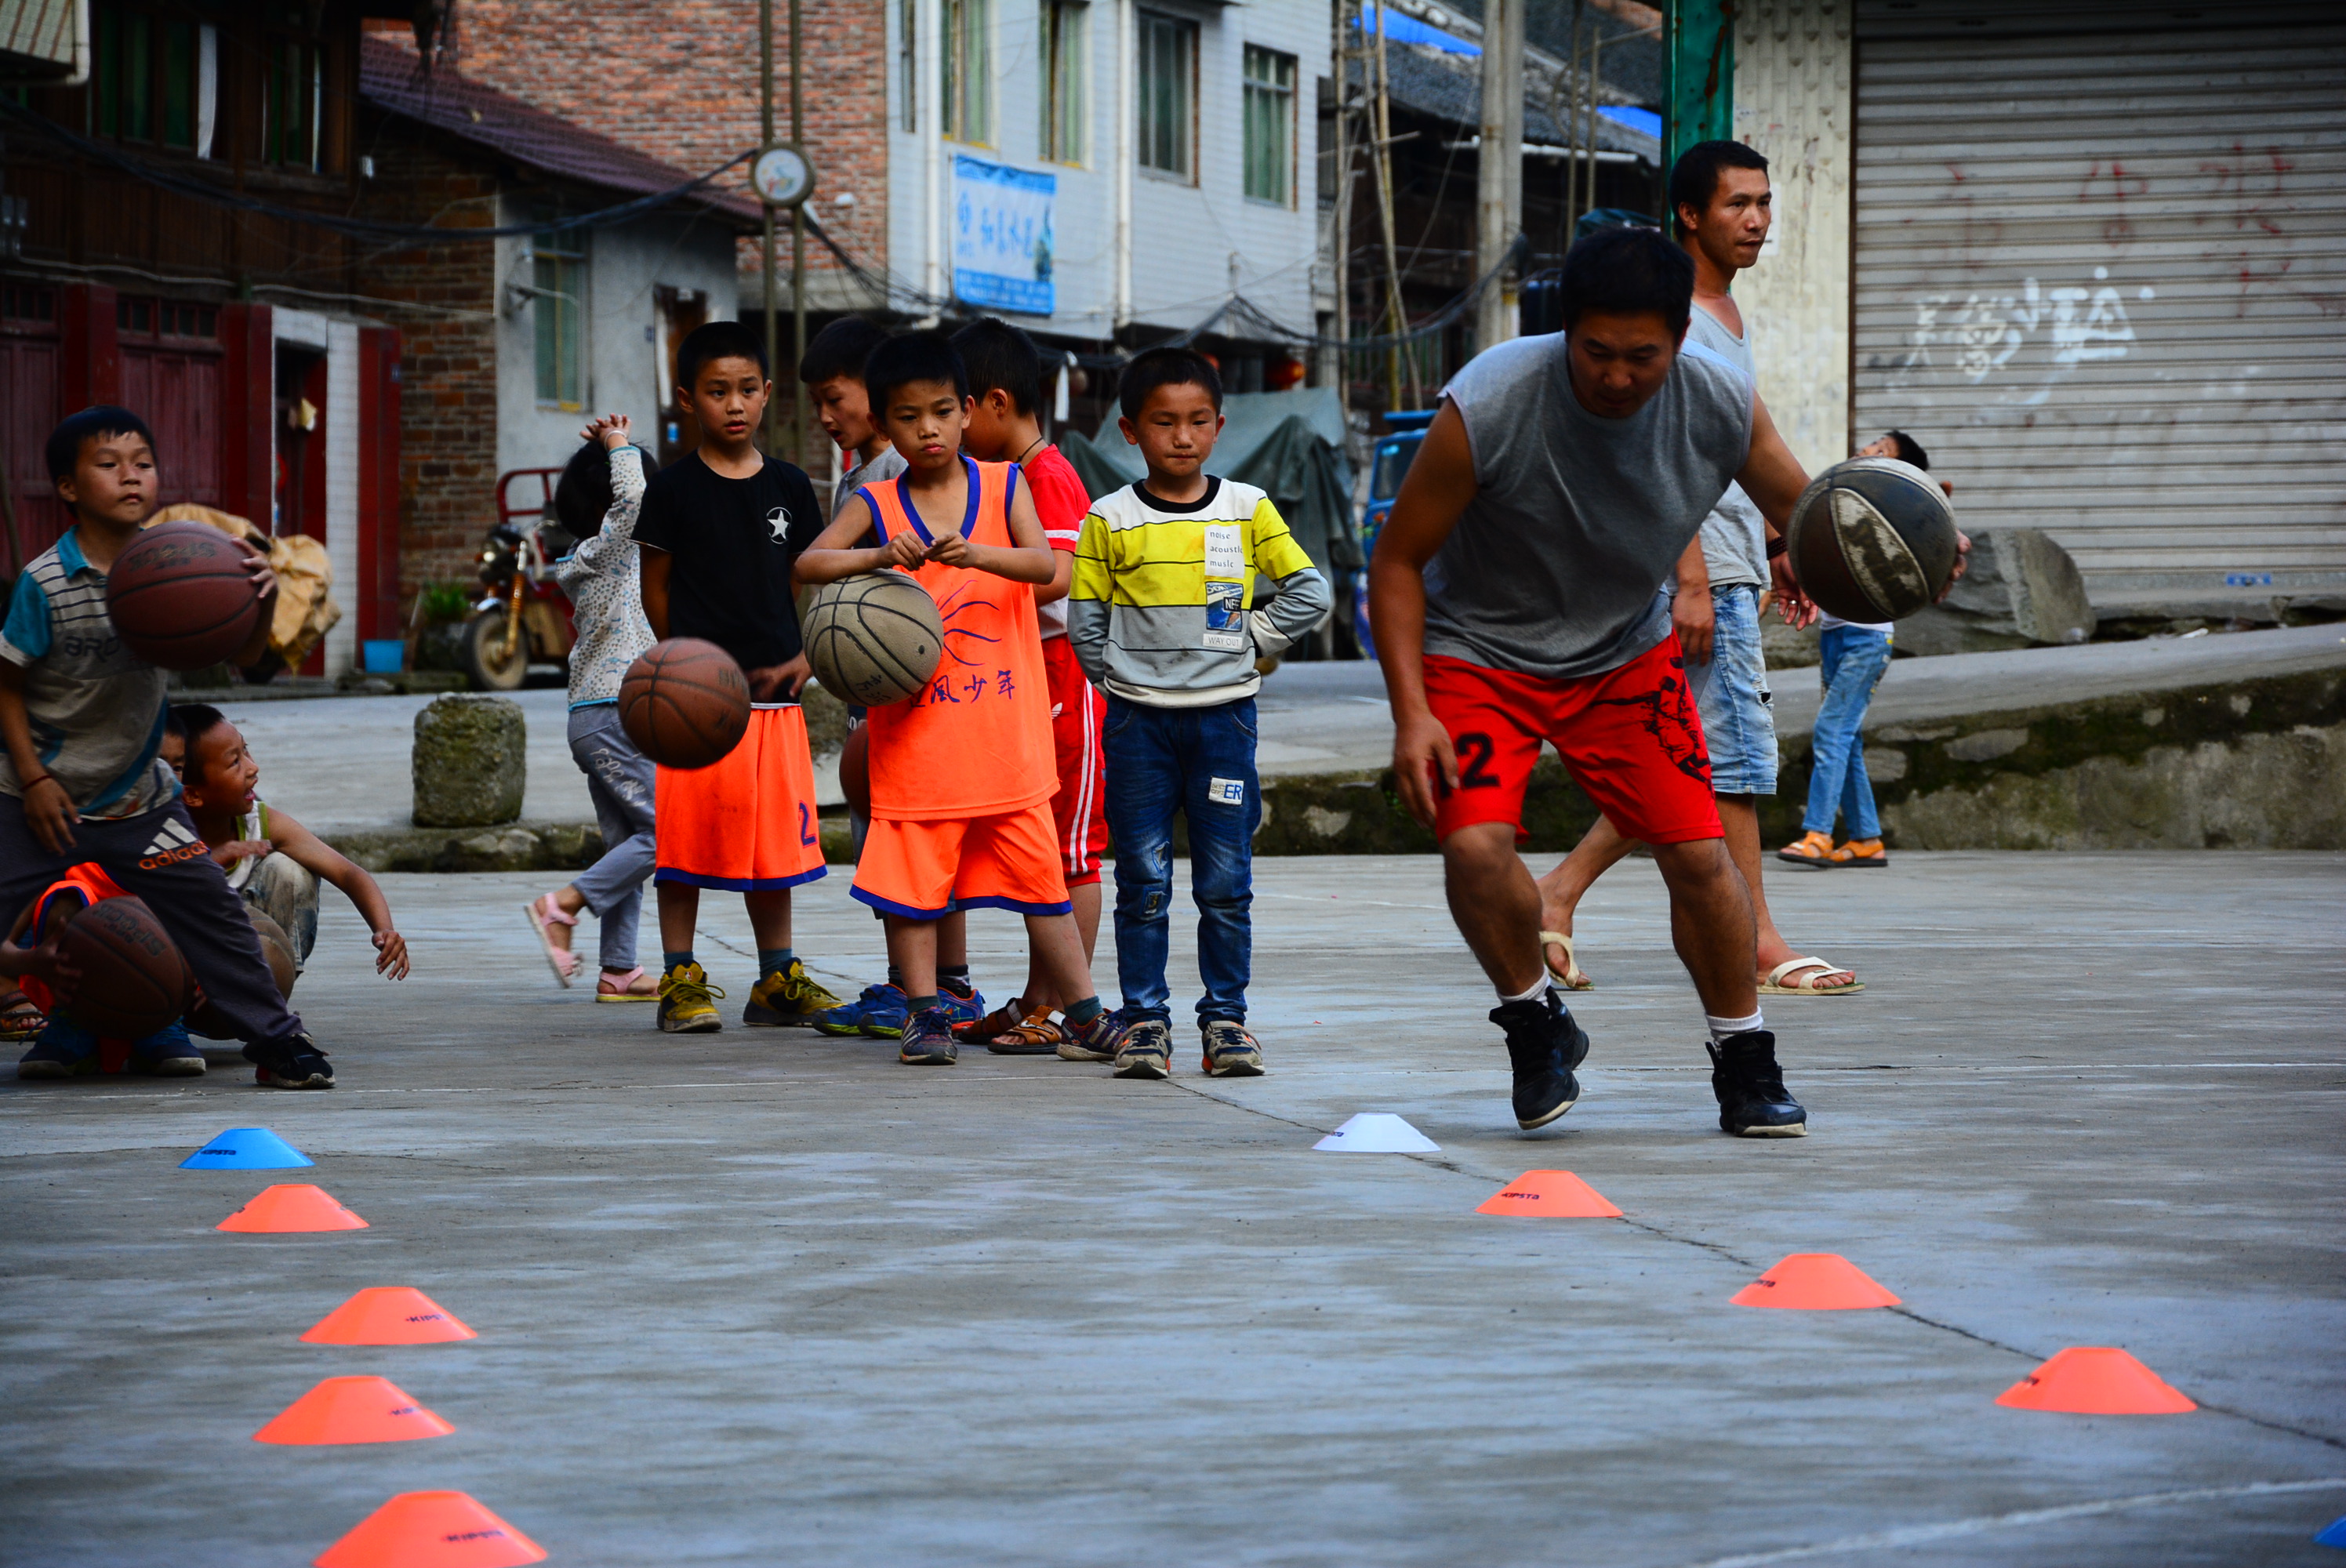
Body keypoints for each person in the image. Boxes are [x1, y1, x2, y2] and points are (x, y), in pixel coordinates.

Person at [1372, 228, 1839, 1138]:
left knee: (1700, 856)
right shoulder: (1494, 400)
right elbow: (1396, 560)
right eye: (1596, 353)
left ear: (1678, 340)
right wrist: (1410, 712)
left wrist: (1903, 545)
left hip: (1624, 653)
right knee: (1472, 848)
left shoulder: (1718, 401)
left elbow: (1815, 516)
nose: (1618, 377)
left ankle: (1743, 1056)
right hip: (1478, 652)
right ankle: (1532, 1020)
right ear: (1563, 335)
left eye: (1642, 357)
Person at [1531, 140, 1861, 1002]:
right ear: (1689, 213)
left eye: (1762, 203)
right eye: (1735, 205)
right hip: (1694, 566)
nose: (1755, 221)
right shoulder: (1673, 320)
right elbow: (1649, 455)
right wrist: (1692, 578)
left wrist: (1781, 546)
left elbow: (1738, 451)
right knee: (1734, 761)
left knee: (1681, 757)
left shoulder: (1723, 318)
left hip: (1726, 559)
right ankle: (1758, 942)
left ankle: (1555, 894)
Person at [793, 331, 1123, 1069]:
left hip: (1005, 740)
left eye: (943, 411)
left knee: (1045, 885)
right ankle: (925, 1014)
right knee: (914, 889)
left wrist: (980, 554)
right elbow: (809, 562)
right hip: (915, 745)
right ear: (886, 423)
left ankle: (1086, 1013)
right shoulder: (877, 500)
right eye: (908, 418)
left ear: (969, 410)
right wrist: (877, 553)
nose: (929, 429)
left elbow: (1054, 570)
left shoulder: (1006, 486)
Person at [0, 406, 332, 1087]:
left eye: (144, 463)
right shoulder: (44, 583)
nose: (132, 476)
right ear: (67, 487)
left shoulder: (179, 562)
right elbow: (5, 686)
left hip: (139, 799)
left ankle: (278, 1044)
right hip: (44, 796)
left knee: (216, 916)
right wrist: (33, 780)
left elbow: (244, 654)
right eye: (109, 464)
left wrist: (260, 601)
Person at [1066, 347, 1334, 1080]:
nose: (1180, 438)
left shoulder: (1247, 509)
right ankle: (1146, 1023)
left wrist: (1253, 637)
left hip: (1225, 724)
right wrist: (1126, 681)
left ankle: (1227, 1024)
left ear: (1218, 427)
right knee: (1142, 881)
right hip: (1137, 726)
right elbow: (1086, 625)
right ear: (1130, 430)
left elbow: (1310, 592)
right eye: (1163, 423)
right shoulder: (1108, 519)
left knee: (1225, 879)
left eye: (1195, 422)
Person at [634, 321, 842, 1034]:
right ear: (689, 400)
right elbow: (653, 587)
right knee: (685, 848)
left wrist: (804, 653)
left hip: (778, 700)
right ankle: (679, 977)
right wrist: (687, 669)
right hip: (698, 704)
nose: (734, 405)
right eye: (718, 392)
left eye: (747, 390)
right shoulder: (671, 491)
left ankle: (776, 977)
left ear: (767, 395)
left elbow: (806, 583)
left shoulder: (789, 485)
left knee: (775, 849)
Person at [798, 317, 986, 1042]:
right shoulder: (860, 473)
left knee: (913, 837)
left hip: (916, 685)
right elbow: (819, 570)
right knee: (895, 837)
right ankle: (925, 983)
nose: (825, 414)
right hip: (874, 679)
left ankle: (940, 985)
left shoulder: (894, 477)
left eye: (833, 396)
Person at [942, 317, 1109, 1055]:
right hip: (1032, 683)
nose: (946, 428)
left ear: (996, 403)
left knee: (1074, 853)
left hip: (1069, 680)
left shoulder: (1047, 477)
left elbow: (1065, 578)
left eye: (954, 410)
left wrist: (967, 578)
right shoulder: (1012, 477)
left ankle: (1062, 1010)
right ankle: (1040, 1000)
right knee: (1043, 852)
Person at [523, 415, 663, 1000]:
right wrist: (618, 447)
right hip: (619, 711)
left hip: (591, 716)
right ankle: (561, 907)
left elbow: (626, 497)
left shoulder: (587, 558)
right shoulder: (617, 550)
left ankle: (619, 969)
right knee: (667, 832)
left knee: (626, 844)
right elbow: (633, 497)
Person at [1778, 430, 1934, 871]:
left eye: (1881, 451)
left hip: (1868, 639)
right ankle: (1865, 838)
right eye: (1873, 444)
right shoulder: (1846, 498)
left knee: (1830, 731)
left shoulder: (1897, 514)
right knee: (1847, 737)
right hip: (1835, 635)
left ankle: (1818, 835)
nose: (1868, 450)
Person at [169, 703, 412, 984]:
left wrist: (385, 930)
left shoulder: (261, 823)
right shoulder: (161, 837)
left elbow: (348, 873)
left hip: (249, 974)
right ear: (192, 795)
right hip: (182, 979)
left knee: (290, 870)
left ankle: (271, 1004)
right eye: (234, 762)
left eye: (245, 750)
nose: (253, 767)